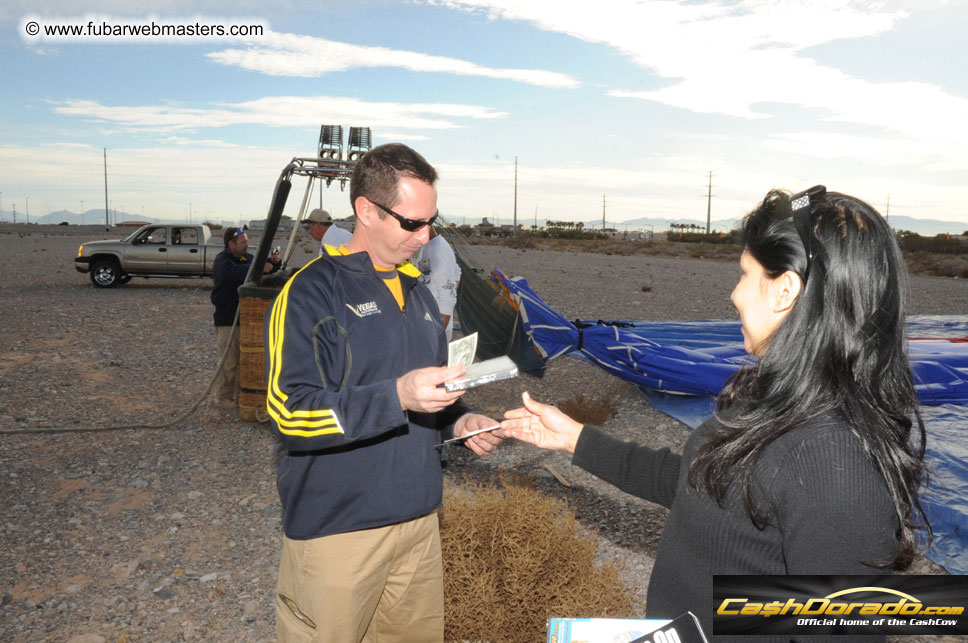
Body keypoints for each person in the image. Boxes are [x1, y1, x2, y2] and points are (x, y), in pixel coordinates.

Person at [501, 187, 928, 641]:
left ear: (785, 290)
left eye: (745, 273)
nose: (734, 293)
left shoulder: (832, 458)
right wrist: (576, 439)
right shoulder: (782, 394)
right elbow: (703, 484)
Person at [267, 143, 503, 642]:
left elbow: (431, 396)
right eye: (412, 223)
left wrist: (461, 421)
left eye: (432, 222)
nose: (426, 237)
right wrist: (395, 396)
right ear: (367, 210)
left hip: (419, 526)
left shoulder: (420, 296)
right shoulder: (311, 292)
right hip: (339, 534)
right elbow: (290, 414)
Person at [210, 227, 278, 410]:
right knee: (228, 361)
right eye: (243, 242)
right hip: (227, 319)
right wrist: (260, 267)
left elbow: (262, 269)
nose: (247, 245)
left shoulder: (246, 259)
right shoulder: (222, 261)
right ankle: (222, 397)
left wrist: (273, 263)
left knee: (243, 361)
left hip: (244, 319)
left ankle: (238, 396)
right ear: (231, 244)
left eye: (247, 241)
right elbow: (235, 273)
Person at [413, 224, 461, 340]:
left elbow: (448, 296)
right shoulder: (427, 245)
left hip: (436, 327)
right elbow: (457, 271)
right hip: (426, 322)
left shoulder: (438, 249)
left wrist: (438, 334)